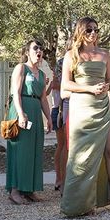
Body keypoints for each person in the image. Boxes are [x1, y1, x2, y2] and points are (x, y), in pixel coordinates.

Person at [60, 17, 110, 216]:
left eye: (96, 30)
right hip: (82, 108)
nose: (93, 33)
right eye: (89, 30)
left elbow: (109, 81)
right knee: (81, 156)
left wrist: (108, 88)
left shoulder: (105, 54)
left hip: (102, 107)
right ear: (81, 31)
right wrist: (89, 88)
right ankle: (80, 203)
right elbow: (66, 84)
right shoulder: (71, 56)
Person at [5, 38, 53, 204]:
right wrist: (20, 113)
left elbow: (43, 99)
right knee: (21, 151)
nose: (39, 51)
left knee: (34, 151)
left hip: (35, 113)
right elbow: (15, 93)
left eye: (40, 49)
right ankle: (15, 190)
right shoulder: (21, 68)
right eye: (35, 48)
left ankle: (29, 189)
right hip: (22, 110)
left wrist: (49, 118)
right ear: (27, 52)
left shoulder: (42, 74)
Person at [51, 53, 66, 192]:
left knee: (64, 145)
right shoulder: (63, 62)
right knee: (63, 145)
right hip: (59, 110)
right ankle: (59, 178)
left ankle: (62, 178)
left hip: (65, 108)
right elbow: (56, 85)